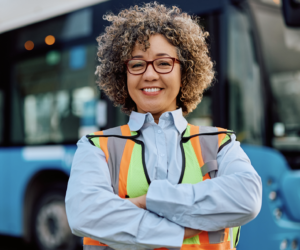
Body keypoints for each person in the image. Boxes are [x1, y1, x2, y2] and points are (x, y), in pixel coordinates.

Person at [65, 3, 262, 250]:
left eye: (163, 63)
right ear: (122, 74)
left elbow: (247, 199)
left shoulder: (220, 144)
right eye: (137, 64)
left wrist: (149, 201)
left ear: (185, 71)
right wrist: (180, 230)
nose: (149, 75)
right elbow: (84, 214)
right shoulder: (95, 147)